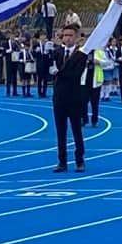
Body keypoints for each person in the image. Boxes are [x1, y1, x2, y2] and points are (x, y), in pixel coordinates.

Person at [50, 23, 87, 173]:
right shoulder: (57, 53)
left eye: (70, 35)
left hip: (75, 97)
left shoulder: (81, 55)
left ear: (76, 37)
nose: (67, 38)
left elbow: (75, 74)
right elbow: (49, 71)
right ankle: (62, 161)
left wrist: (58, 72)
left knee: (76, 130)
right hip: (59, 97)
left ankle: (79, 160)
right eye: (65, 35)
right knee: (60, 131)